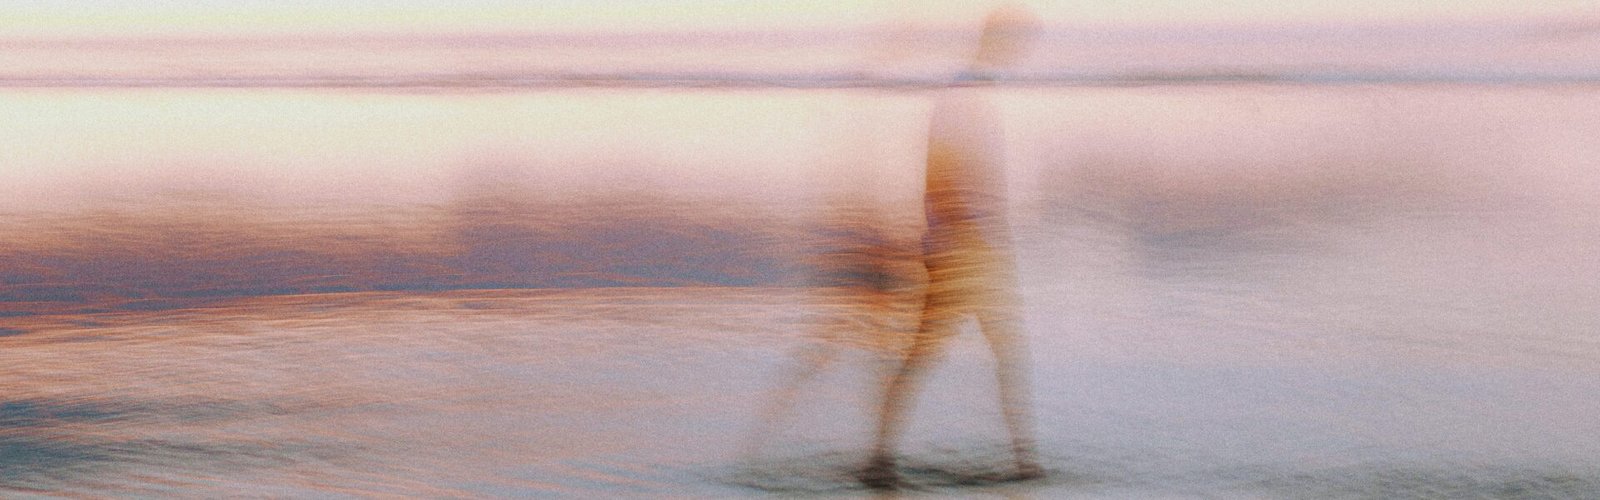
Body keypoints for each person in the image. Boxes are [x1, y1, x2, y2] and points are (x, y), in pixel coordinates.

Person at [859, 3, 1043, 489]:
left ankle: (1023, 459)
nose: (1020, 53)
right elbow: (942, 179)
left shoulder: (970, 94)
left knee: (989, 353)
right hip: (967, 252)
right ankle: (881, 457)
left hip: (968, 248)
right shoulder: (965, 97)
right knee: (942, 353)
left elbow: (950, 182)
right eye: (1016, 42)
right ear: (998, 42)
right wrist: (967, 243)